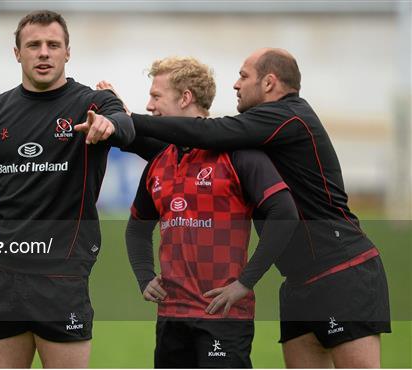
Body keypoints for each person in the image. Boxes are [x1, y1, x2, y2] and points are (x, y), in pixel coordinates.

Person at [85, 48, 391, 368]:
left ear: (270, 83)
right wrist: (117, 124)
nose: (235, 85)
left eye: (244, 77)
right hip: (297, 283)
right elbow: (178, 148)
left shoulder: (289, 115)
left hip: (341, 272)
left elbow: (209, 132)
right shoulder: (254, 134)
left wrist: (130, 119)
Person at [0, 10, 134, 368]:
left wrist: (109, 125)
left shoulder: (91, 104)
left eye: (53, 45)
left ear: (67, 53)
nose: (43, 52)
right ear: (17, 53)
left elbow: (124, 124)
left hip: (62, 278)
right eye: (34, 45)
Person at [96, 57, 299, 368]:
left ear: (186, 97)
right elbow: (137, 228)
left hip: (223, 316)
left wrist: (245, 282)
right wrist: (143, 275)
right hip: (171, 317)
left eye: (156, 96)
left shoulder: (238, 152)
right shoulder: (159, 160)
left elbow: (284, 213)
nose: (149, 106)